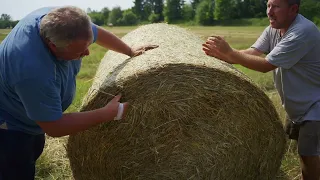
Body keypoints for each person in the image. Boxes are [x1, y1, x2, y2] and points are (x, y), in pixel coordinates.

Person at [0, 6, 158, 180]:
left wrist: (129, 51)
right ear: (53, 46)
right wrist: (106, 113)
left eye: (88, 45)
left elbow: (98, 33)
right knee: (16, 167)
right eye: (80, 52)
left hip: (32, 113)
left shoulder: (67, 23)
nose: (88, 52)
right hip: (10, 124)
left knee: (33, 150)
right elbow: (54, 126)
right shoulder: (31, 70)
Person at [202, 0, 320, 179]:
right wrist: (222, 55)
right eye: (268, 5)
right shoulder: (273, 28)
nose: (269, 12)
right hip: (297, 105)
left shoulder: (302, 31)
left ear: (293, 9)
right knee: (306, 154)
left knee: (309, 156)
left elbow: (266, 65)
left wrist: (230, 53)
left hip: (315, 107)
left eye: (276, 7)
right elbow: (252, 53)